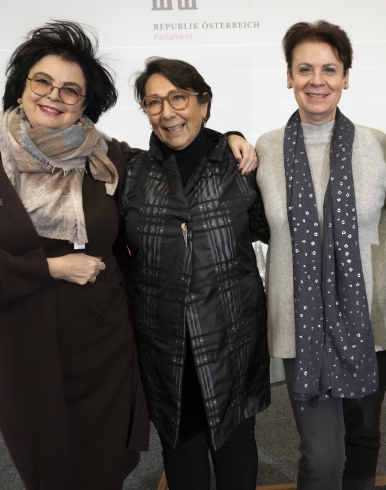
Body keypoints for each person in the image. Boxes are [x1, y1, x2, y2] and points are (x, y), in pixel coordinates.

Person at [0, 21, 149, 489]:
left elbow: (177, 157)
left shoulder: (110, 159)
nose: (55, 95)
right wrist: (49, 267)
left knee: (104, 469)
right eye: (43, 81)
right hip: (23, 351)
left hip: (104, 347)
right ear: (21, 87)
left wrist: (229, 137)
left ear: (85, 104)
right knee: (49, 471)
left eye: (71, 90)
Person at [255, 20, 386, 489]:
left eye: (329, 69)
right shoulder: (264, 148)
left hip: (373, 317)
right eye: (305, 69)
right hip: (300, 321)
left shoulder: (376, 145)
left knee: (364, 436)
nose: (316, 80)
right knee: (321, 455)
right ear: (288, 76)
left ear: (345, 77)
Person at [120, 57, 270, 490]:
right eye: (153, 102)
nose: (167, 112)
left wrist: (234, 137)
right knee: (180, 449)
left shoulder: (241, 165)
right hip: (162, 337)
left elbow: (269, 229)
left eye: (178, 98)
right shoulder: (132, 172)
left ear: (203, 103)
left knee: (236, 444)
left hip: (231, 334)